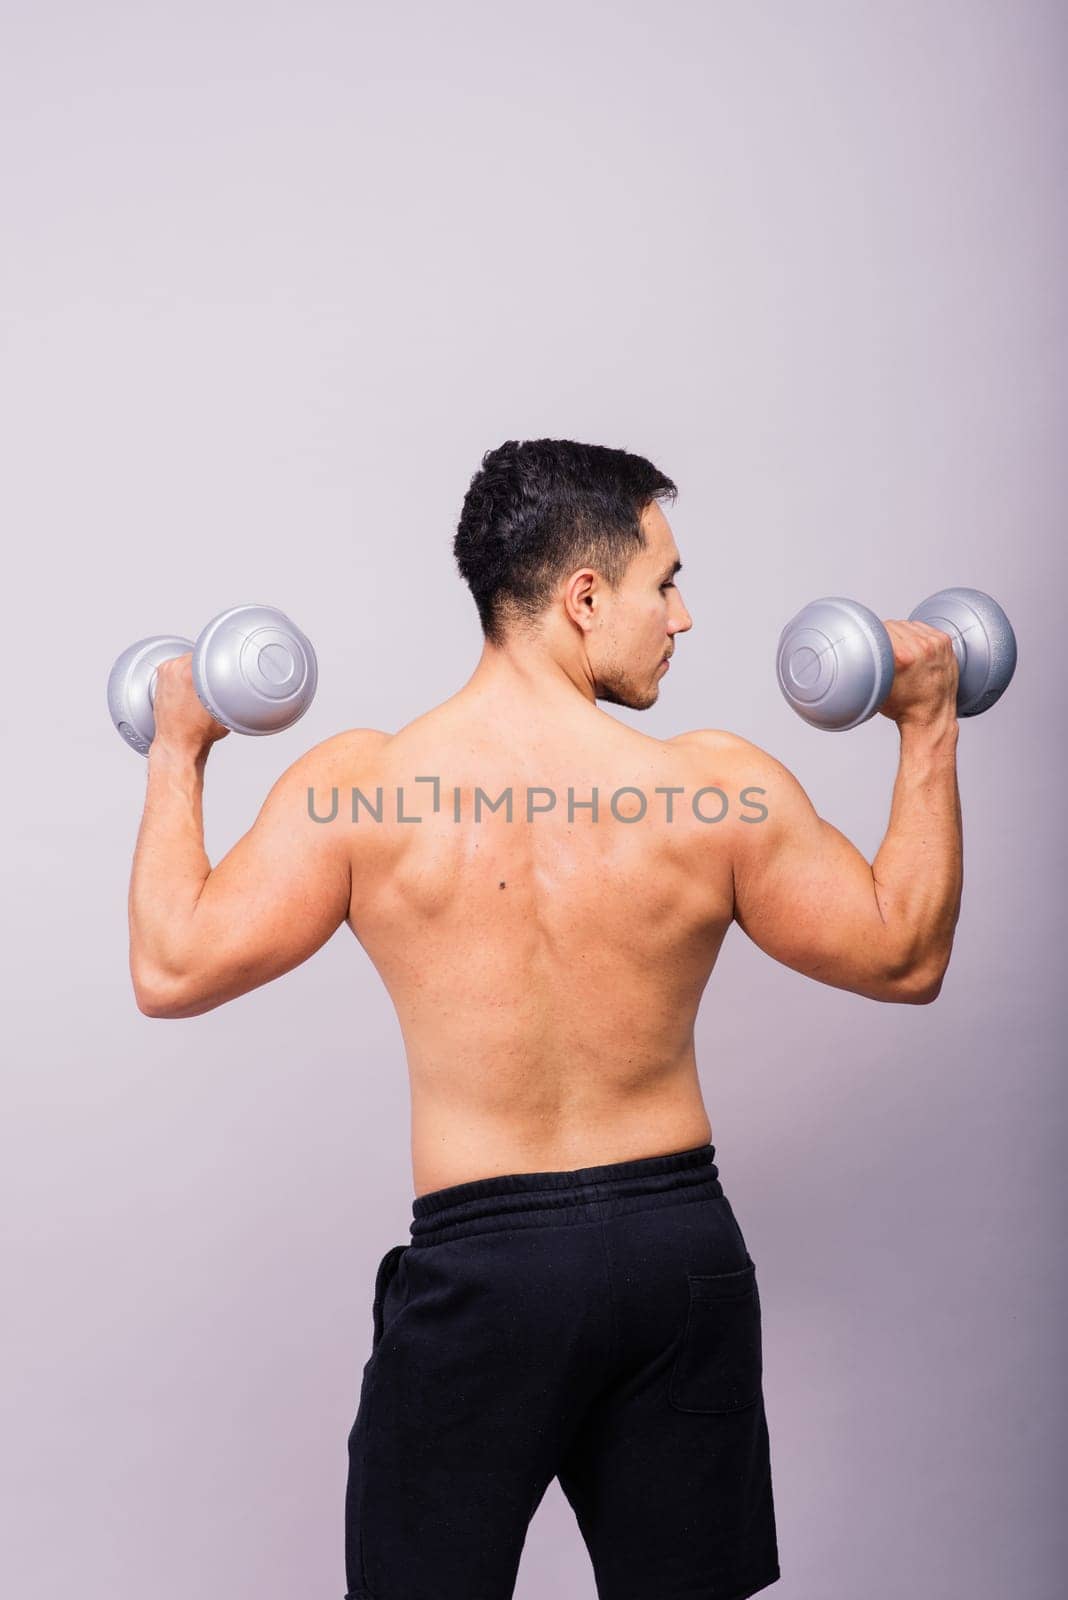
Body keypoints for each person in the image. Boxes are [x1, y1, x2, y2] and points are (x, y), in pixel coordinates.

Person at [126, 438, 963, 1600]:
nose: (682, 617)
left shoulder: (363, 785)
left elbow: (171, 967)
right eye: (663, 582)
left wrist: (176, 747)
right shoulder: (714, 784)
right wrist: (929, 728)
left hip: (487, 1271)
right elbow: (906, 952)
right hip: (678, 1256)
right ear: (583, 597)